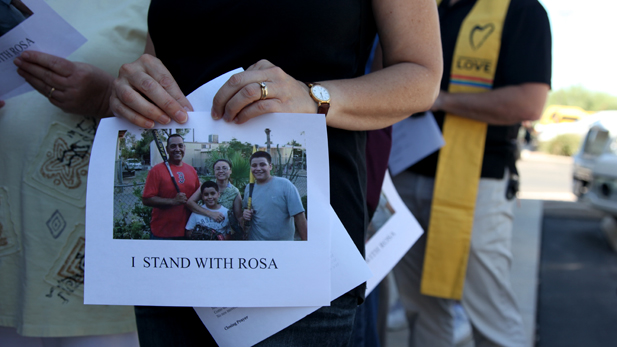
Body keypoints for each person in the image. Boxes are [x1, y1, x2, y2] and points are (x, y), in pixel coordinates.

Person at [108, 0, 443, 344]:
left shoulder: (273, 188)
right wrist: (133, 85)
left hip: (299, 269)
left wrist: (315, 97)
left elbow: (422, 76)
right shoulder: (230, 189)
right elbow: (162, 56)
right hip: (168, 264)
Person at [390, 0, 552, 346]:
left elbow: (530, 103)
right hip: (406, 173)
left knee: (488, 311)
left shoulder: (521, 11)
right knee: (420, 306)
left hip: (477, 183)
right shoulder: (426, 8)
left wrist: (442, 100)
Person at [0, 0, 148, 344]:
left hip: (95, 263)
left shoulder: (155, 7)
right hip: (10, 251)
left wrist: (104, 96)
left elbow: (190, 110)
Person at [142, 134, 200, 239]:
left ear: (184, 148)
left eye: (180, 146)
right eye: (173, 146)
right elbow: (147, 199)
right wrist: (172, 201)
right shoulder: (156, 171)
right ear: (167, 149)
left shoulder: (192, 170)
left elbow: (198, 195)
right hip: (163, 233)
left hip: (188, 230)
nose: (177, 149)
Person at [242, 151, 307, 241]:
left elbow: (299, 216)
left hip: (282, 245)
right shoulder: (249, 187)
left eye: (262, 165)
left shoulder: (285, 185)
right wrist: (245, 214)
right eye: (254, 166)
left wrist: (306, 243)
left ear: (270, 166)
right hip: (257, 243)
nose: (258, 168)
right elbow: (246, 211)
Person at [186, 158, 244, 239]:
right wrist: (210, 213)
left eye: (224, 168)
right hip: (203, 230)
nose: (221, 171)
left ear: (230, 171)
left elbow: (238, 216)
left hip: (223, 234)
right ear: (214, 171)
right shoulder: (207, 186)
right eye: (218, 168)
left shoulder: (235, 192)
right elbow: (190, 203)